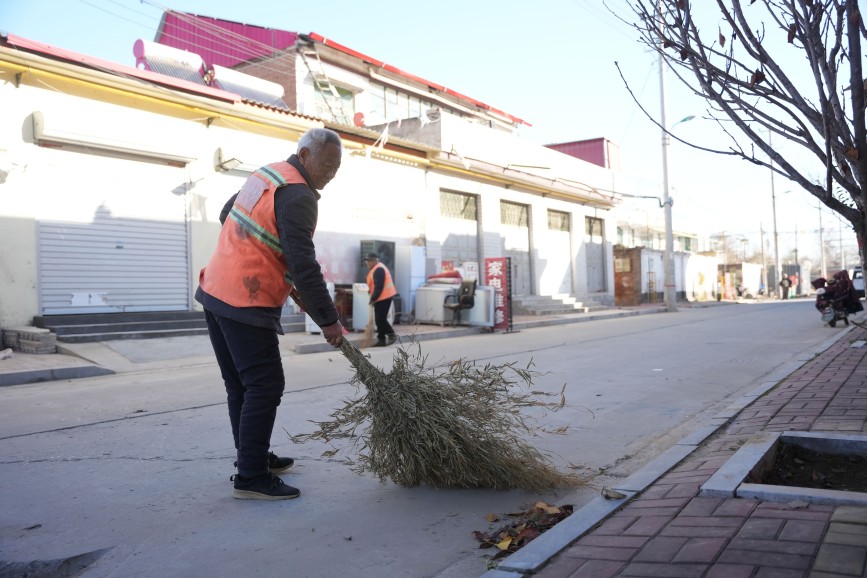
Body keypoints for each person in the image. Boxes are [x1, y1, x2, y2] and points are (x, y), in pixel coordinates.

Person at [196, 127, 344, 500]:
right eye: (327, 162)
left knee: (241, 386)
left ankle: (252, 456)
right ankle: (250, 477)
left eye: (337, 166)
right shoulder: (298, 196)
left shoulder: (268, 174)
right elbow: (304, 264)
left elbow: (227, 213)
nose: (331, 171)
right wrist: (329, 320)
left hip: (215, 289)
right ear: (306, 155)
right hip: (246, 300)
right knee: (264, 385)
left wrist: (263, 250)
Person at [365, 252, 397, 347]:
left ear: (375, 260)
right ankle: (381, 340)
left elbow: (379, 286)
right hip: (381, 297)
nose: (368, 262)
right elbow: (375, 285)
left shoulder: (378, 269)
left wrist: (373, 298)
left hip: (384, 297)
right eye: (367, 261)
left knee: (380, 319)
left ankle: (391, 335)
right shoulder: (376, 268)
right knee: (379, 319)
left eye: (370, 260)